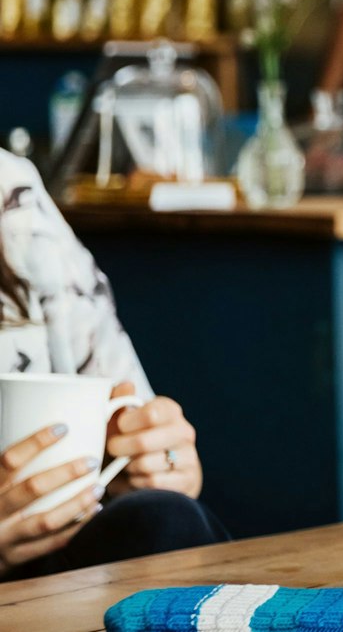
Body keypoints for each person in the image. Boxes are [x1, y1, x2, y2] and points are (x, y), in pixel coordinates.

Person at [0, 151, 226, 580]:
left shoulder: (10, 192)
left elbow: (134, 416)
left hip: (68, 561)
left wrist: (154, 458)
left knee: (164, 518)